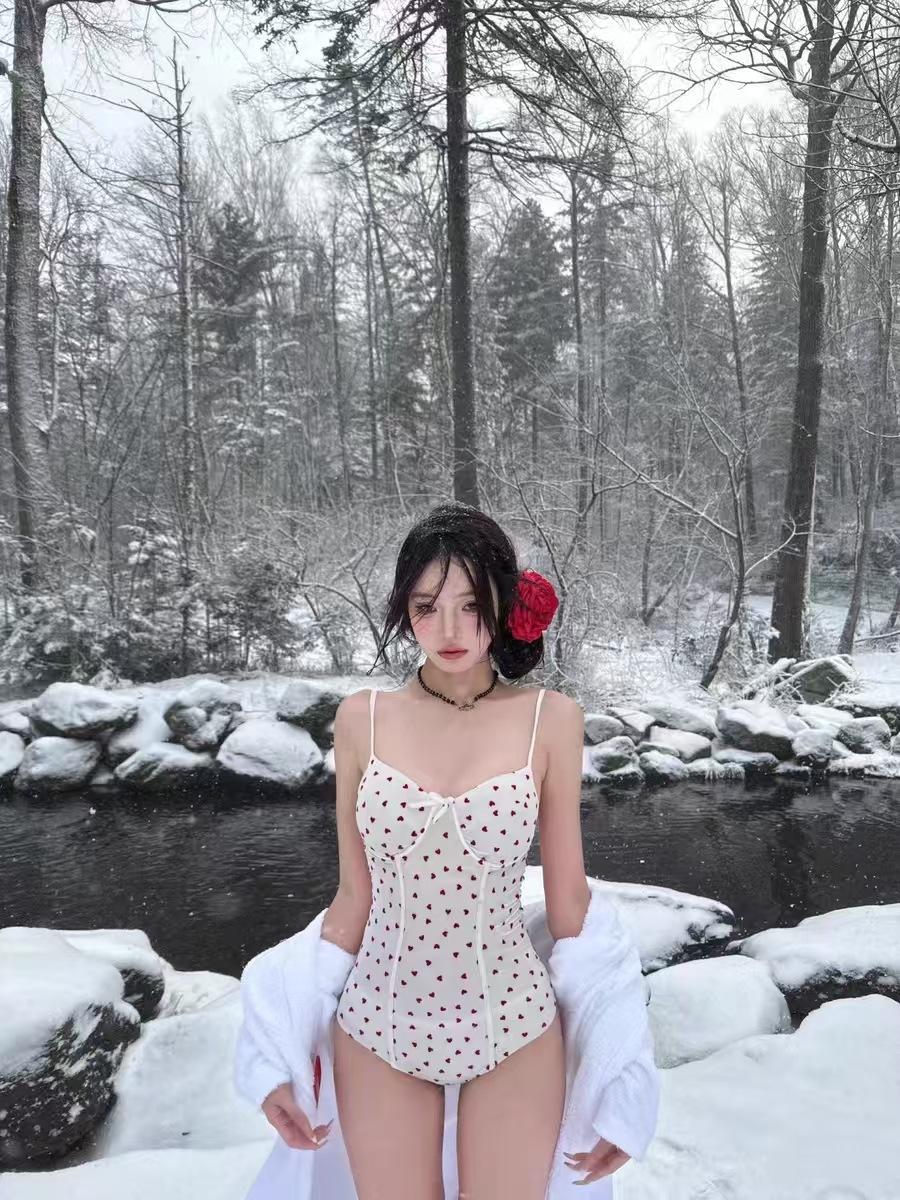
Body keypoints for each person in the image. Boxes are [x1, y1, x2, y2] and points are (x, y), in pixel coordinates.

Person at [256, 501, 633, 1198]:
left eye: (471, 605)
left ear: (505, 604)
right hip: (378, 1026)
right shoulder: (361, 719)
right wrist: (276, 1044)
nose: (449, 630)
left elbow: (569, 906)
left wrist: (620, 1065)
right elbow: (352, 899)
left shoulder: (551, 720)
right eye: (426, 607)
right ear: (405, 610)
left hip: (514, 1026)